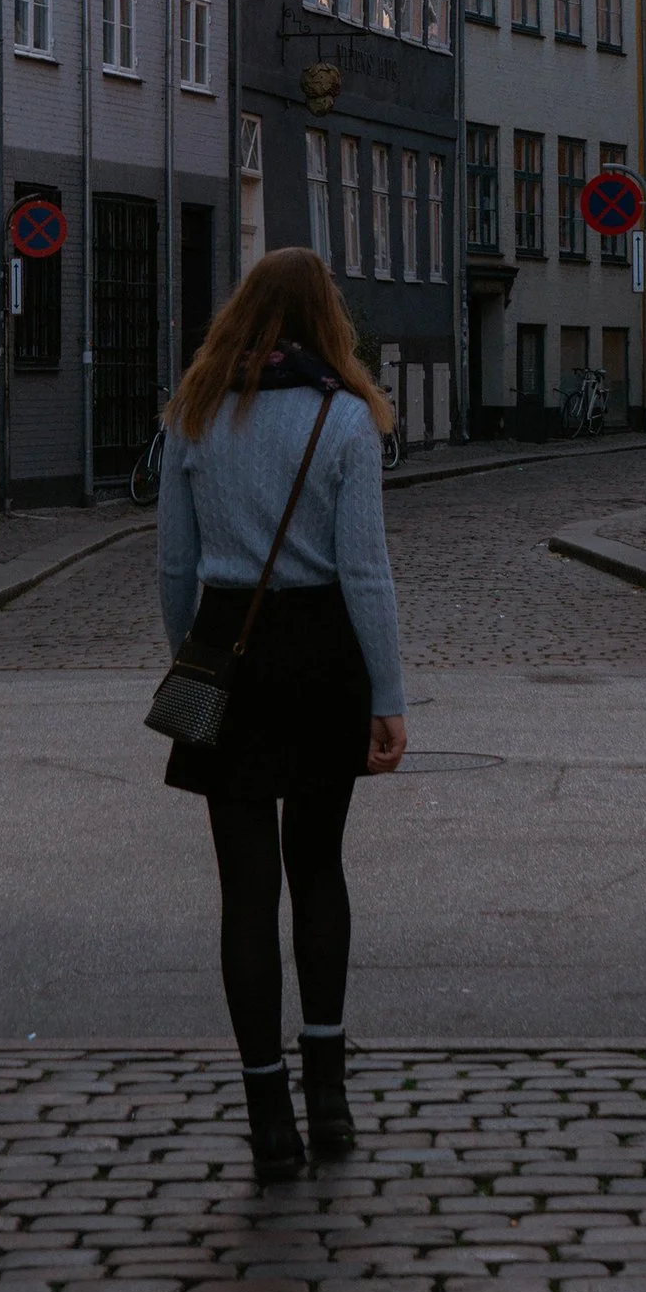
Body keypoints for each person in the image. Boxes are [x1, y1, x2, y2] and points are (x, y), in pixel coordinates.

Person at [158, 246, 406, 1180]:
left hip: (228, 644)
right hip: (321, 654)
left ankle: (269, 1112)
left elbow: (174, 567)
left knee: (245, 892)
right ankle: (331, 1096)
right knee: (320, 871)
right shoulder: (346, 419)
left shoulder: (195, 414)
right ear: (326, 319)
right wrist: (388, 693)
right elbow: (366, 572)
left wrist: (193, 657)